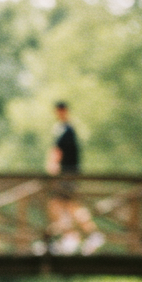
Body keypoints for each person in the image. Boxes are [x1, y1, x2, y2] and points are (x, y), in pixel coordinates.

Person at [45, 101, 105, 256]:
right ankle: (74, 236)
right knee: (64, 205)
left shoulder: (66, 130)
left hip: (66, 175)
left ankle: (83, 235)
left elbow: (57, 153)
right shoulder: (65, 129)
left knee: (66, 205)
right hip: (69, 174)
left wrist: (53, 168)